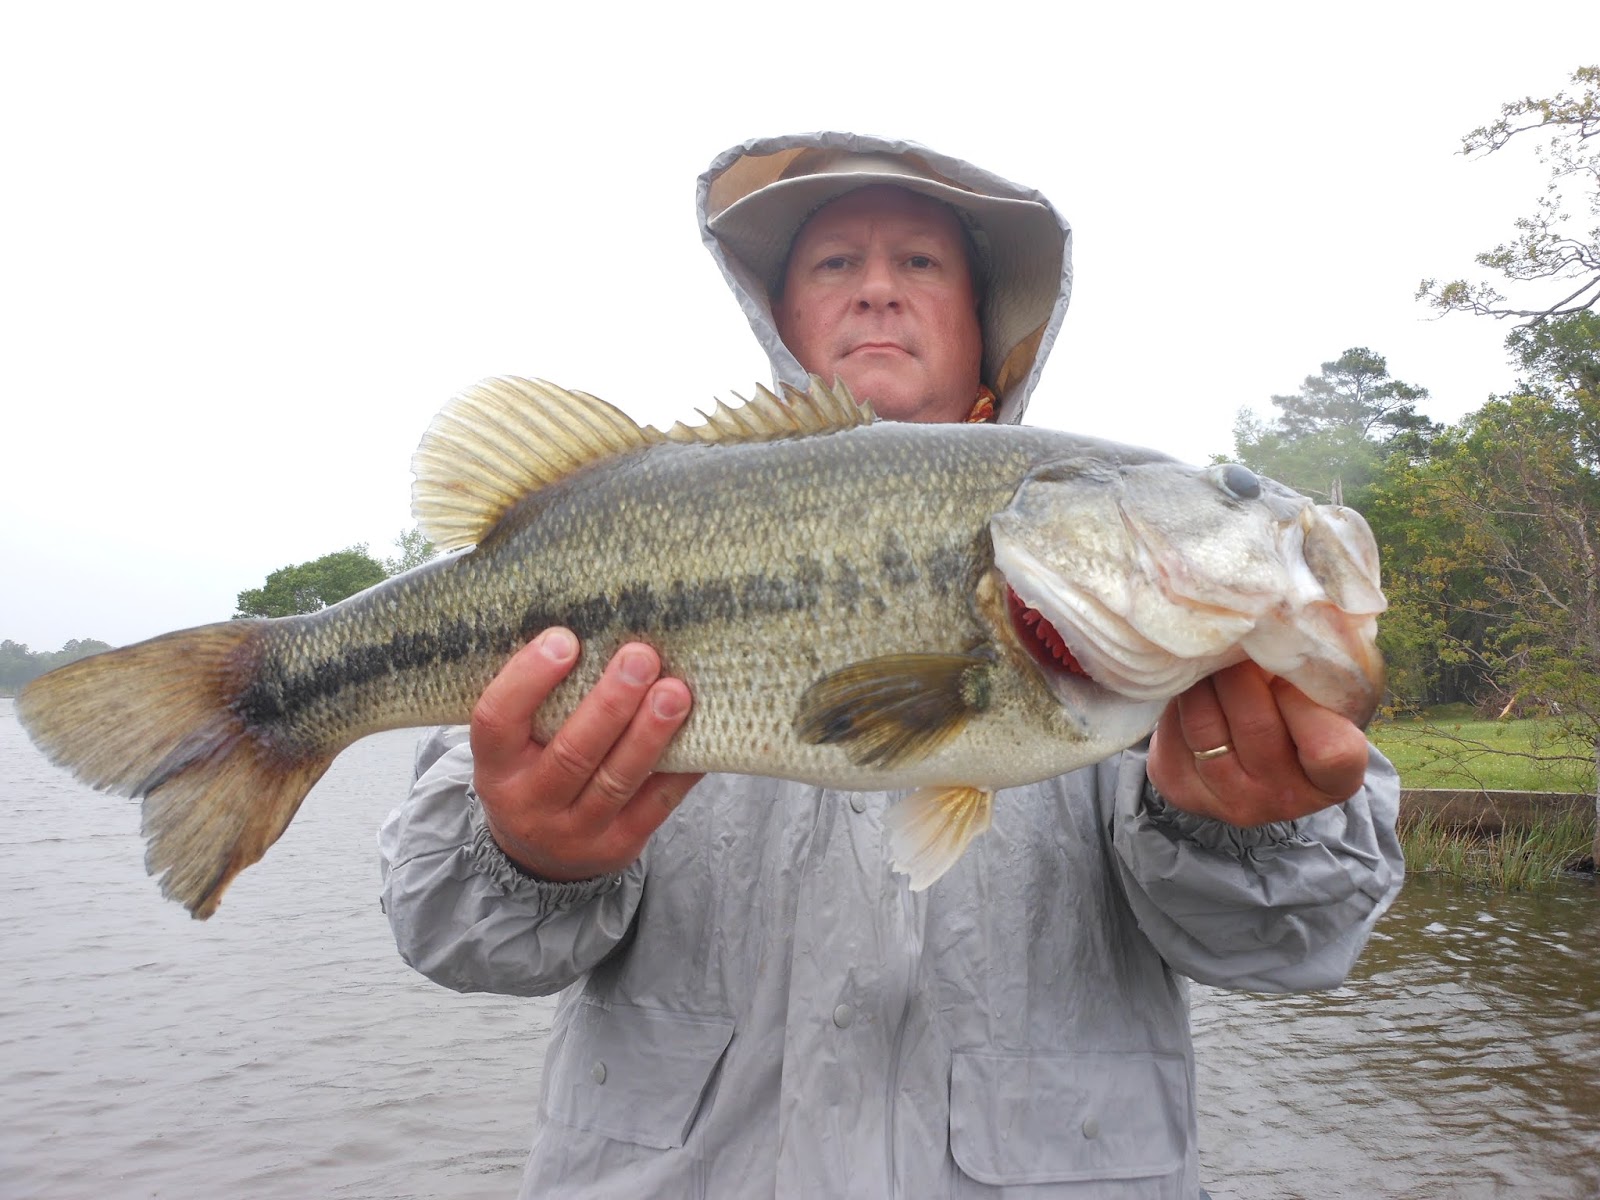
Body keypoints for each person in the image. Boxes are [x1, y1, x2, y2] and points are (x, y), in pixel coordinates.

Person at [379, 132, 1404, 1199]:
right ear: (780, 319)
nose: (876, 290)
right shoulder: (642, 530)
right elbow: (453, 941)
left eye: (919, 262)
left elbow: (1297, 948)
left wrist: (1242, 830)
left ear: (988, 324)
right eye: (833, 264)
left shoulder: (1172, 637)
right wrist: (529, 857)